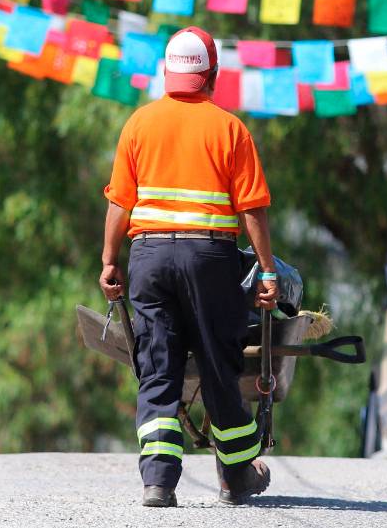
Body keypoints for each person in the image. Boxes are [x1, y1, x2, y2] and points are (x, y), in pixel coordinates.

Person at [100, 26, 279, 508]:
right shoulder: (230, 129)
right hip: (209, 259)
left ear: (167, 73)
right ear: (212, 75)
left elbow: (120, 203)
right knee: (219, 366)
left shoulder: (139, 124)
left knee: (158, 366)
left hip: (149, 258)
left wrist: (109, 260)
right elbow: (252, 209)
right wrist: (267, 271)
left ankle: (158, 483)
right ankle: (236, 476)